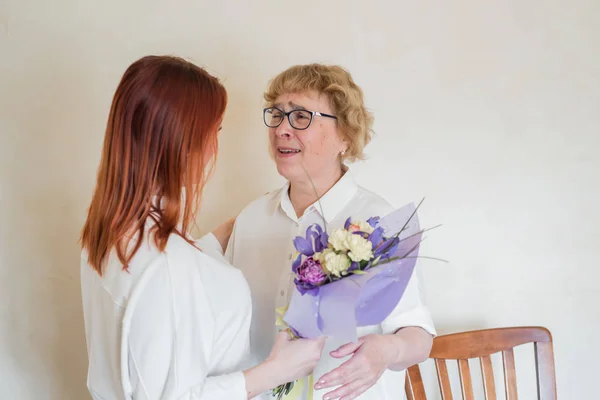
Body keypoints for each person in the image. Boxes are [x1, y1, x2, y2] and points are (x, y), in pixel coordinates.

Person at [79, 55, 326, 400]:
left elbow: (157, 301)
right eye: (216, 132)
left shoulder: (107, 233)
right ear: (183, 141)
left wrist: (233, 228)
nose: (214, 147)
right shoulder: (170, 265)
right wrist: (276, 371)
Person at [202, 64, 436, 399]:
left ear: (345, 135)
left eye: (300, 117)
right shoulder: (250, 218)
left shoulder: (380, 221)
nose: (282, 128)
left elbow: (419, 335)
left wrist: (387, 350)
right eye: (277, 115)